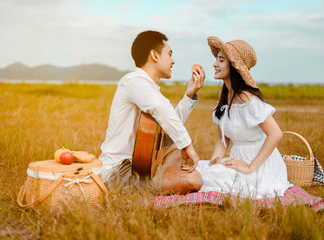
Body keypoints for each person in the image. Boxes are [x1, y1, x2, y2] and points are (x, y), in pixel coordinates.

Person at [99, 30, 204, 194]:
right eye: (169, 54)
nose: (173, 61)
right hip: (118, 172)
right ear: (154, 55)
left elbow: (167, 127)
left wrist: (189, 96)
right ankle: (164, 181)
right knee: (194, 179)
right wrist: (187, 145)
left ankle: (163, 179)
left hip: (142, 163)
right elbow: (159, 106)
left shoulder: (147, 88)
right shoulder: (133, 82)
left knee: (175, 145)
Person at [195, 36, 291, 199]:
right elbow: (222, 139)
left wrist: (249, 167)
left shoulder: (247, 98)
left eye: (221, 60)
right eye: (216, 59)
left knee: (203, 179)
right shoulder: (223, 96)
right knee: (201, 169)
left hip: (261, 166)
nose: (214, 64)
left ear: (233, 66)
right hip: (238, 158)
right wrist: (214, 162)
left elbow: (276, 134)